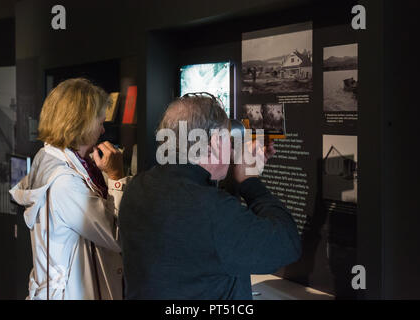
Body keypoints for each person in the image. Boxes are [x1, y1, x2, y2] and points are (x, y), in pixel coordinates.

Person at [119, 93, 302, 299]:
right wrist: (250, 182)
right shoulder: (210, 211)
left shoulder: (136, 188)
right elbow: (287, 245)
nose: (232, 149)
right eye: (228, 139)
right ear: (215, 141)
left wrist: (233, 173)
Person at [10, 78, 130, 300]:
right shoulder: (66, 182)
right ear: (81, 123)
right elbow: (117, 235)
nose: (103, 130)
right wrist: (116, 177)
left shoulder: (48, 157)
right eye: (99, 122)